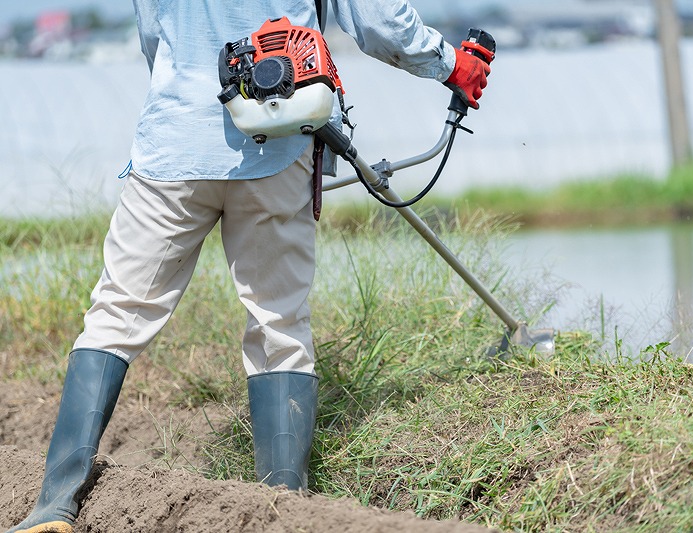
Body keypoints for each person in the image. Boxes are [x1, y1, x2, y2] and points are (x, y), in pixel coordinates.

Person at [7, 1, 489, 531]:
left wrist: (189, 94)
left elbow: (153, 37)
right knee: (278, 324)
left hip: (175, 144)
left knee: (116, 313)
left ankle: (53, 509)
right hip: (277, 141)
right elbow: (377, 22)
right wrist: (452, 64)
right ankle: (281, 510)